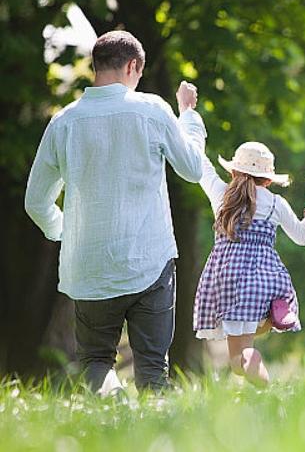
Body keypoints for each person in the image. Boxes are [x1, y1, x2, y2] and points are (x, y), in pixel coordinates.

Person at [24, 30, 206, 393]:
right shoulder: (152, 110)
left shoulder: (64, 121)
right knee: (154, 365)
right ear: (133, 66)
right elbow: (192, 168)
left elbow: (35, 202)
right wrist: (188, 116)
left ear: (96, 66)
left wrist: (64, 231)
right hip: (148, 260)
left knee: (95, 362)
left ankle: (108, 423)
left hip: (88, 264)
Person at [193, 142, 305, 386]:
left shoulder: (222, 195)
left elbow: (202, 165)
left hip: (228, 281)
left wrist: (188, 119)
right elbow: (302, 237)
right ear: (268, 180)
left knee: (238, 362)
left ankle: (264, 386)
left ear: (232, 173)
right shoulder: (275, 203)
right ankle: (269, 321)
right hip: (263, 282)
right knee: (247, 343)